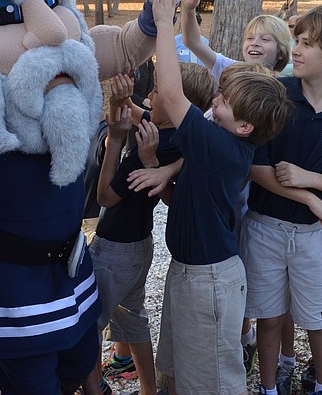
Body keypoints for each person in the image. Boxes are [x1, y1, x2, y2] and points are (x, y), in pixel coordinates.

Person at [151, 0, 291, 395]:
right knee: (179, 370)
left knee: (212, 381)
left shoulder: (218, 146)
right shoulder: (223, 140)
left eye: (224, 101)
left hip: (207, 280)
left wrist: (164, 23)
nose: (215, 100)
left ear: (246, 125)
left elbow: (172, 95)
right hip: (192, 271)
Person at [245, 5, 322, 395]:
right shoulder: (278, 95)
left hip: (315, 238)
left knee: (318, 316)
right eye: (296, 41)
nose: (295, 50)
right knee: (268, 316)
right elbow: (257, 168)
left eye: (306, 44)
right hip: (264, 227)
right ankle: (268, 387)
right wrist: (311, 198)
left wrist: (309, 180)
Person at [92, 65, 214, 395]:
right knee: (132, 321)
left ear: (174, 101)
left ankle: (92, 387)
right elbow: (133, 109)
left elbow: (105, 197)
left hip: (115, 247)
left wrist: (115, 141)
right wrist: (119, 94)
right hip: (139, 244)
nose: (148, 96)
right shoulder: (175, 134)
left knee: (88, 325)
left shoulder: (154, 144)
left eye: (156, 92)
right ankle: (149, 389)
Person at [180, 0, 291, 79]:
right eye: (250, 38)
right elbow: (193, 42)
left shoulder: (288, 86)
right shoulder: (231, 70)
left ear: (281, 52)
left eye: (266, 39)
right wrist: (188, 9)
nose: (255, 43)